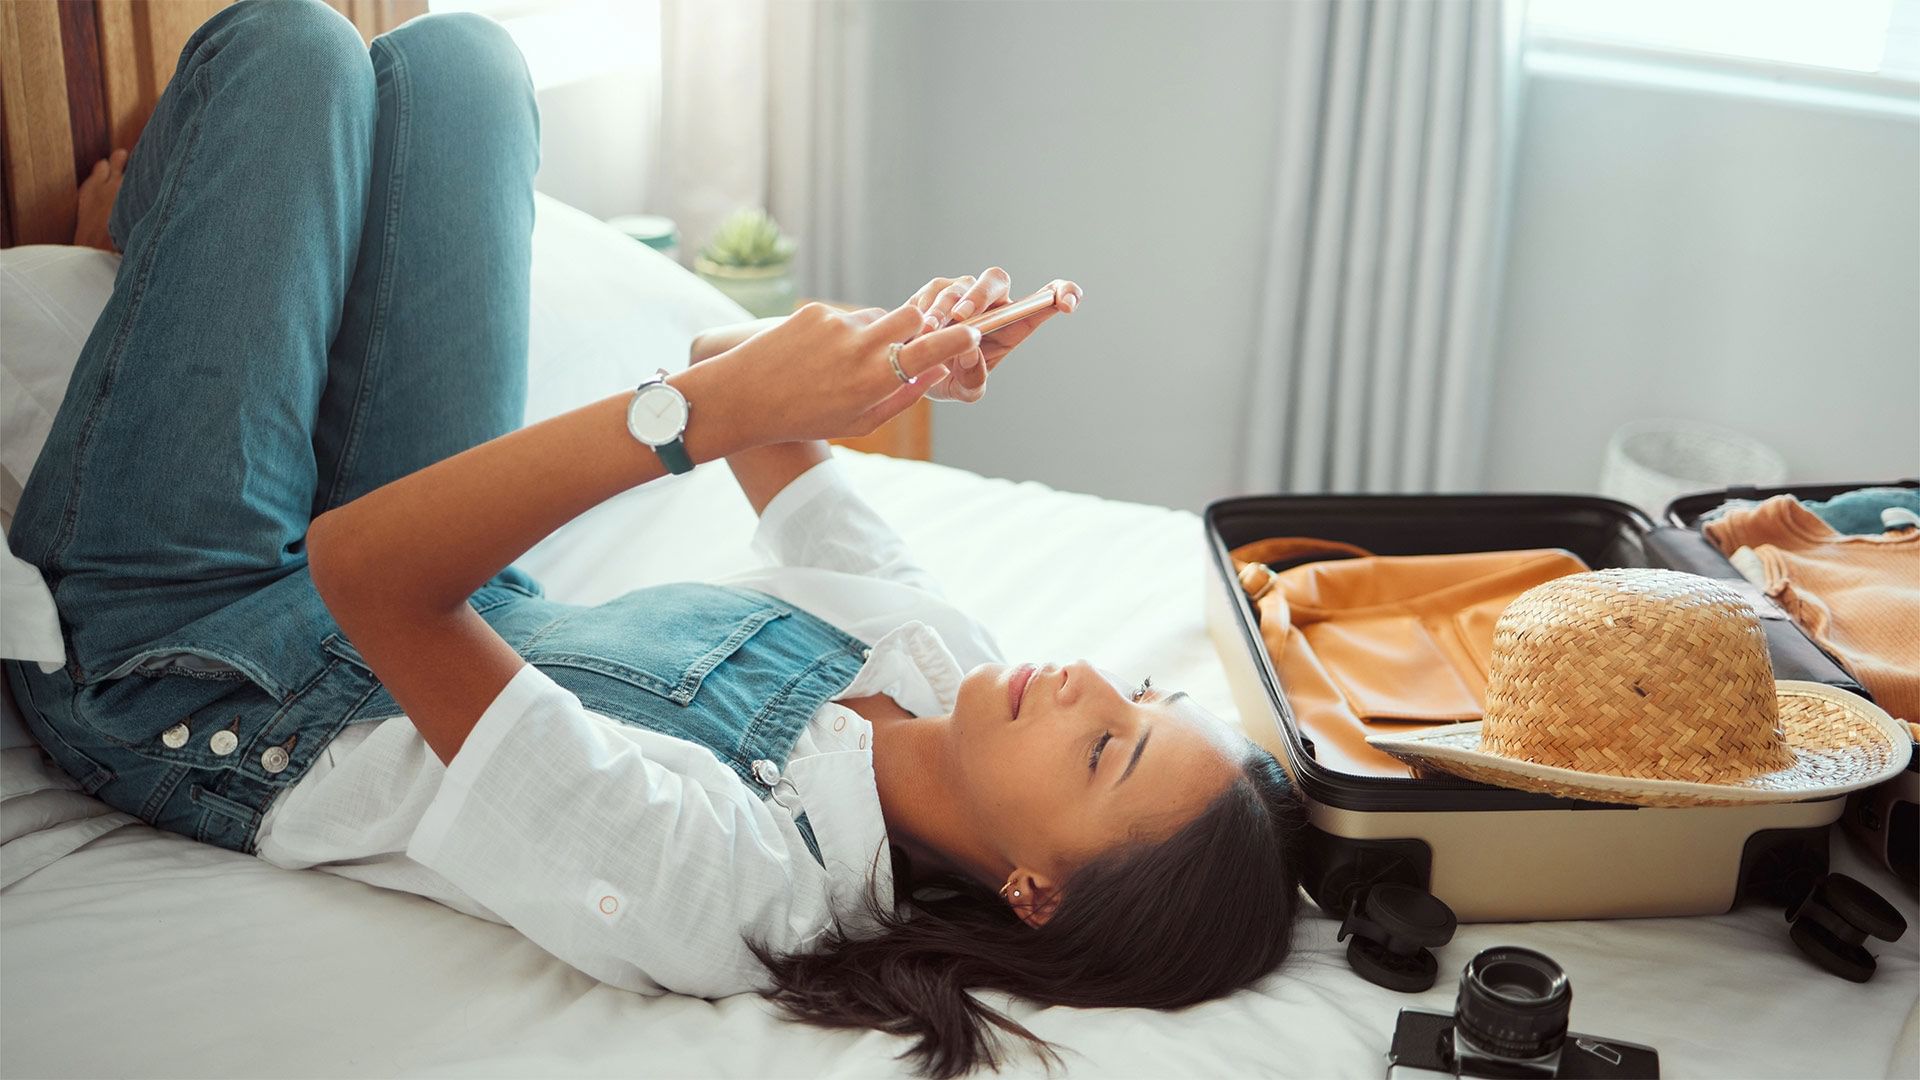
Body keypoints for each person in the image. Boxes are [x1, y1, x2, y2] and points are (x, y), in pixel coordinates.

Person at [4, 1, 1306, 1075]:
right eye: (1135, 694)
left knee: (292, 47)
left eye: (1101, 752)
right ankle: (187, 238)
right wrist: (892, 362)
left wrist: (705, 416)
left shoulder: (736, 892)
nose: (1081, 681)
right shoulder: (934, 662)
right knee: (463, 63)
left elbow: (370, 581)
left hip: (200, 665)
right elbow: (717, 366)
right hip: (455, 585)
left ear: (1034, 890)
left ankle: (185, 238)